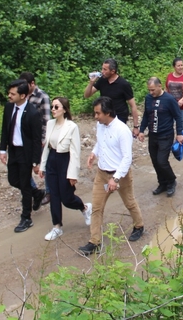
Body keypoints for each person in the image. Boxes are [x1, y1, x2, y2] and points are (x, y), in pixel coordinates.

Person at [79, 97, 144, 255]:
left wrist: (115, 178)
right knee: (97, 208)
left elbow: (127, 158)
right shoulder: (100, 125)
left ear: (107, 113)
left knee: (129, 202)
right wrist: (93, 153)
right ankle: (94, 242)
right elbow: (100, 142)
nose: (95, 117)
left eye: (97, 113)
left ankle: (139, 225)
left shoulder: (122, 131)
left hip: (120, 175)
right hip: (102, 174)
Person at [38, 97, 92, 241]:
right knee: (54, 195)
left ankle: (84, 208)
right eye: (52, 107)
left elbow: (75, 152)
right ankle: (57, 226)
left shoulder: (72, 127)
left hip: (65, 160)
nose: (53, 110)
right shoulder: (50, 124)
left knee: (67, 198)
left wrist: (73, 174)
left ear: (64, 109)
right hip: (52, 160)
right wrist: (42, 166)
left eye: (56, 107)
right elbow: (46, 147)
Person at [0, 79, 45, 233]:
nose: (9, 96)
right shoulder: (8, 108)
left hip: (26, 153)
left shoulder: (32, 113)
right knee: (13, 180)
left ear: (23, 95)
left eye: (13, 94)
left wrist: (35, 161)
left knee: (25, 185)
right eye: (9, 93)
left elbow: (36, 138)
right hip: (13, 151)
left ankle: (26, 217)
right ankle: (37, 193)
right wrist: (2, 150)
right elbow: (5, 129)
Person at [138, 78, 183, 197]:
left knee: (162, 161)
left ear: (160, 86)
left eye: (153, 90)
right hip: (153, 135)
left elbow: (178, 117)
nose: (151, 92)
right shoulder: (148, 98)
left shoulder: (169, 99)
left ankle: (171, 181)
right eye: (149, 90)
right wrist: (142, 130)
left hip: (166, 135)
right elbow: (146, 115)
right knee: (155, 161)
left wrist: (179, 133)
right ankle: (162, 183)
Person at [84, 58, 140, 137]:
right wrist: (91, 83)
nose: (102, 71)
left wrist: (135, 126)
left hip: (119, 117)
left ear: (112, 71)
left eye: (105, 69)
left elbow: (133, 105)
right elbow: (87, 95)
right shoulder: (102, 81)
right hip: (104, 116)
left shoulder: (123, 84)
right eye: (102, 68)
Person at [20, 71, 51, 206]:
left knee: (44, 165)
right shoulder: (22, 96)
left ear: (32, 83)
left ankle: (49, 192)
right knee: (22, 167)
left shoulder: (41, 97)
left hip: (38, 138)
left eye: (25, 85)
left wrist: (44, 140)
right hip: (23, 139)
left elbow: (46, 120)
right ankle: (34, 191)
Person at [165, 58, 183, 132]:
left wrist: (182, 99)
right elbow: (167, 90)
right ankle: (176, 142)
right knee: (170, 125)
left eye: (182, 65)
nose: (181, 67)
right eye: (178, 66)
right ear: (174, 67)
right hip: (172, 106)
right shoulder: (169, 76)